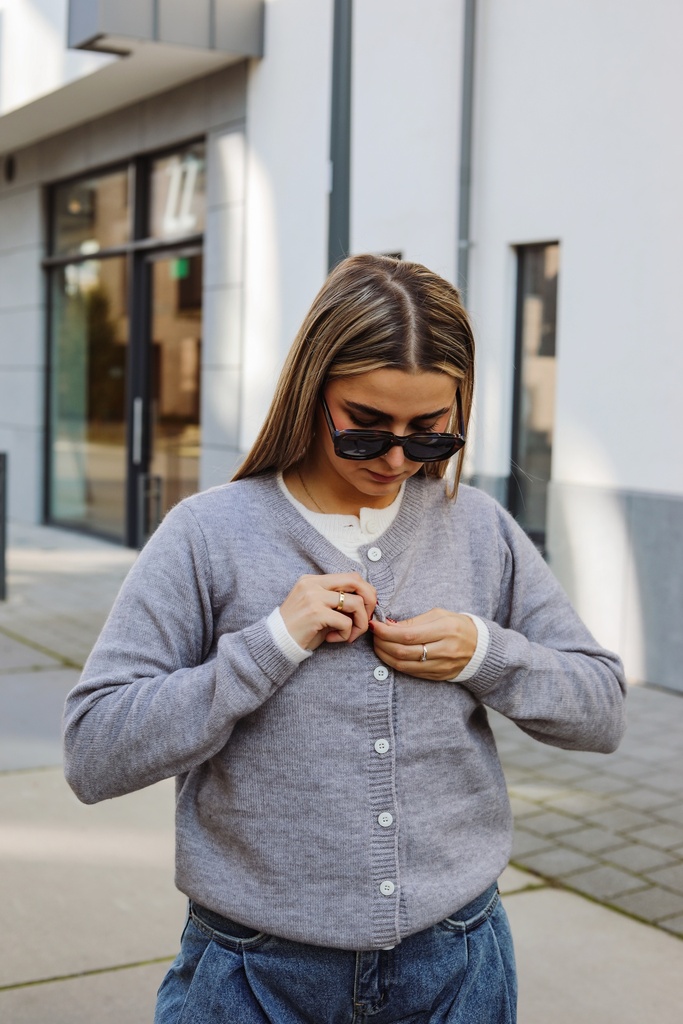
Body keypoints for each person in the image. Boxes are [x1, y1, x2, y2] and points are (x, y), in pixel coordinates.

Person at [63, 254, 627, 1024]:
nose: (397, 460)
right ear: (309, 393)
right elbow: (94, 751)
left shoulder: (479, 529)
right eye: (364, 430)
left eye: (430, 434)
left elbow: (601, 710)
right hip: (251, 974)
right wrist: (267, 646)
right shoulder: (208, 534)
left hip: (455, 967)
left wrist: (485, 653)